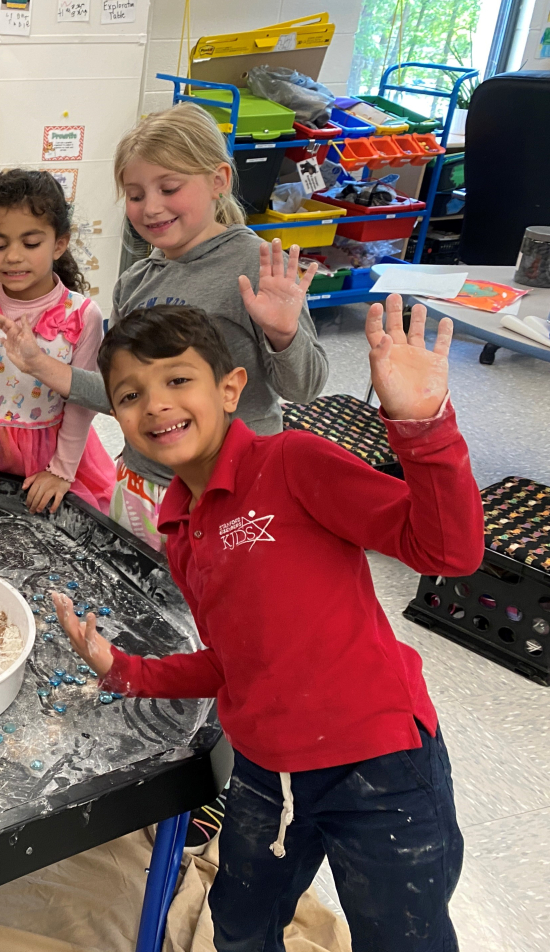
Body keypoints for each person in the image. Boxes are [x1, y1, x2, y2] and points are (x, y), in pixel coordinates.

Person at [54, 299, 482, 952]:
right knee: (240, 924)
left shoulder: (291, 462)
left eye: (177, 379)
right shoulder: (179, 525)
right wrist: (126, 671)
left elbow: (447, 551)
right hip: (265, 772)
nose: (156, 403)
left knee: (403, 937)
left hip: (377, 761)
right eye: (131, 393)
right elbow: (234, 662)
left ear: (230, 388)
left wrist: (422, 427)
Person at [0, 102, 328, 549]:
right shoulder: (135, 281)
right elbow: (124, 399)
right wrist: (38, 363)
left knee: (221, 612)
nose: (151, 208)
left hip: (234, 490)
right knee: (143, 607)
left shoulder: (255, 265)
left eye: (169, 188)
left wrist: (284, 335)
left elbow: (304, 388)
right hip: (143, 486)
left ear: (218, 181)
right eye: (135, 195)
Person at [0, 169, 115, 513]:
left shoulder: (83, 315)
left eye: (31, 244)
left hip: (52, 452)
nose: (13, 256)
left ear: (59, 243)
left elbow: (80, 402)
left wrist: (62, 471)